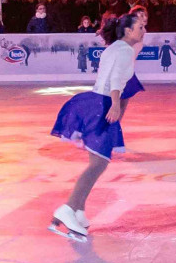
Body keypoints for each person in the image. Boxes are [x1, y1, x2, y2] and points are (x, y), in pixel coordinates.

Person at [48, 13, 145, 240]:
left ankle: (78, 209)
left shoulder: (115, 47)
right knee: (98, 164)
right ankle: (69, 208)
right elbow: (115, 79)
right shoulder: (124, 50)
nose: (143, 30)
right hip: (102, 105)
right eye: (140, 27)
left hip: (94, 102)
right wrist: (114, 105)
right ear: (128, 31)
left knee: (97, 162)